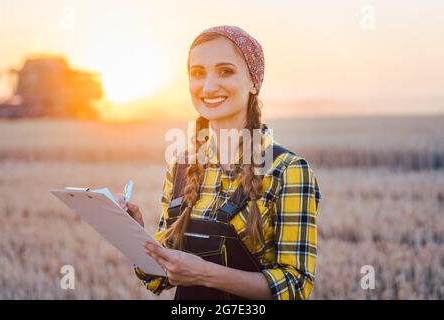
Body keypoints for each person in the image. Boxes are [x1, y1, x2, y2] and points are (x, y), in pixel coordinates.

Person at [117, 25, 322, 300]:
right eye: (198, 73)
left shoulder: (287, 171)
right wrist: (134, 235)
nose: (209, 86)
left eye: (225, 71)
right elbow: (158, 280)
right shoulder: (180, 168)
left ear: (254, 82)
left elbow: (295, 286)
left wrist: (204, 274)